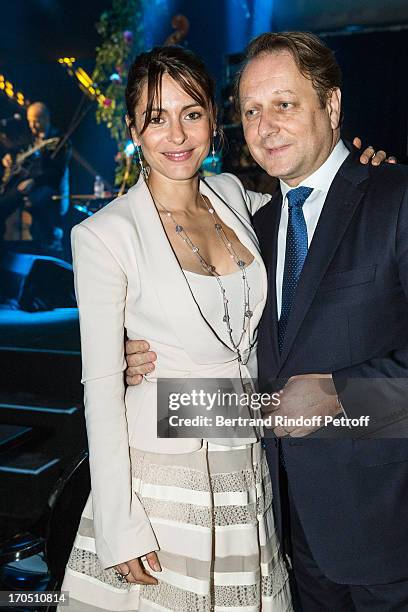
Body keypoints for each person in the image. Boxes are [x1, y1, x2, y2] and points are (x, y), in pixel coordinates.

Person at [125, 33, 406, 611]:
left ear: (330, 107)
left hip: (387, 531)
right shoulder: (253, 224)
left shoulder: (395, 196)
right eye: (251, 110)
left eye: (284, 103)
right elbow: (245, 374)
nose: (265, 125)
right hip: (280, 534)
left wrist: (341, 394)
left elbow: (320, 391)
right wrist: (146, 377)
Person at [60, 46, 293, 611]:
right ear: (133, 127)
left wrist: (367, 166)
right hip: (163, 477)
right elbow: (101, 389)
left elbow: (317, 205)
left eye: (191, 112)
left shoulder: (237, 197)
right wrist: (119, 519)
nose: (177, 134)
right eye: (156, 117)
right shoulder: (104, 236)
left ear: (214, 118)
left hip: (246, 463)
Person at [0, 101, 70, 251]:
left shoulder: (58, 140)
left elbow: (56, 173)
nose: (32, 125)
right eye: (29, 121)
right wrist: (8, 157)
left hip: (47, 185)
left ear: (45, 119)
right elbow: (16, 149)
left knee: (33, 201)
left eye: (36, 121)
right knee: (4, 201)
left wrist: (34, 180)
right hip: (27, 183)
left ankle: (51, 237)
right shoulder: (31, 138)